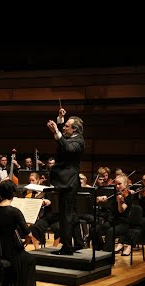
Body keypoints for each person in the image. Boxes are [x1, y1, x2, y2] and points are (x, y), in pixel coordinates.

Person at [0, 180, 37, 286]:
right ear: (13, 194)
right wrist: (25, 242)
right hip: (11, 252)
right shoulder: (14, 211)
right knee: (29, 259)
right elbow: (29, 234)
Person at [47, 107, 85, 255]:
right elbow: (63, 139)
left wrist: (57, 131)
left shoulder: (79, 141)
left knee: (66, 216)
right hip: (65, 181)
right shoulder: (71, 137)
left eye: (67, 126)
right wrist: (60, 119)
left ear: (74, 130)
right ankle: (79, 243)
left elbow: (67, 148)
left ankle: (67, 247)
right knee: (71, 214)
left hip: (69, 182)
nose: (64, 128)